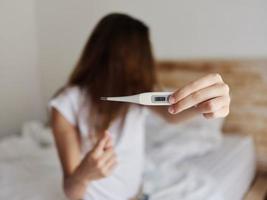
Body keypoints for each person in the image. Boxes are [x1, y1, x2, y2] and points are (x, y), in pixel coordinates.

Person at [50, 13, 230, 200]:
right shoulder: (65, 105)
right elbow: (71, 192)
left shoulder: (141, 93)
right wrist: (84, 174)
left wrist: (204, 104)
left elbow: (172, 114)